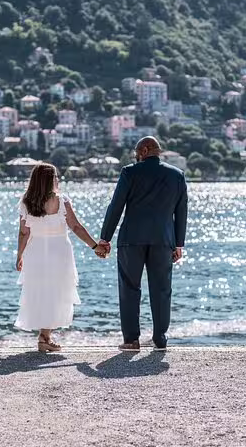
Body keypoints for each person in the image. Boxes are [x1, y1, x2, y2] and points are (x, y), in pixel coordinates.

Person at [98, 136, 188, 352]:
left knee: (129, 288)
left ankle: (131, 339)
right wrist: (178, 244)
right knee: (162, 289)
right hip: (163, 240)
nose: (136, 157)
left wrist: (105, 238)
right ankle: (160, 337)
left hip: (132, 239)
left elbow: (116, 206)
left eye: (137, 152)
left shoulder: (130, 172)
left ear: (146, 150)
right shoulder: (177, 175)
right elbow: (181, 211)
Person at [15, 163, 108, 352]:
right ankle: (44, 337)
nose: (58, 179)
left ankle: (44, 336)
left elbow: (23, 233)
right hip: (59, 251)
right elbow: (76, 227)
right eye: (56, 176)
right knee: (56, 292)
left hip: (35, 252)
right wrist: (94, 246)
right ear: (49, 180)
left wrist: (20, 255)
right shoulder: (62, 200)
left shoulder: (26, 201)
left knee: (39, 292)